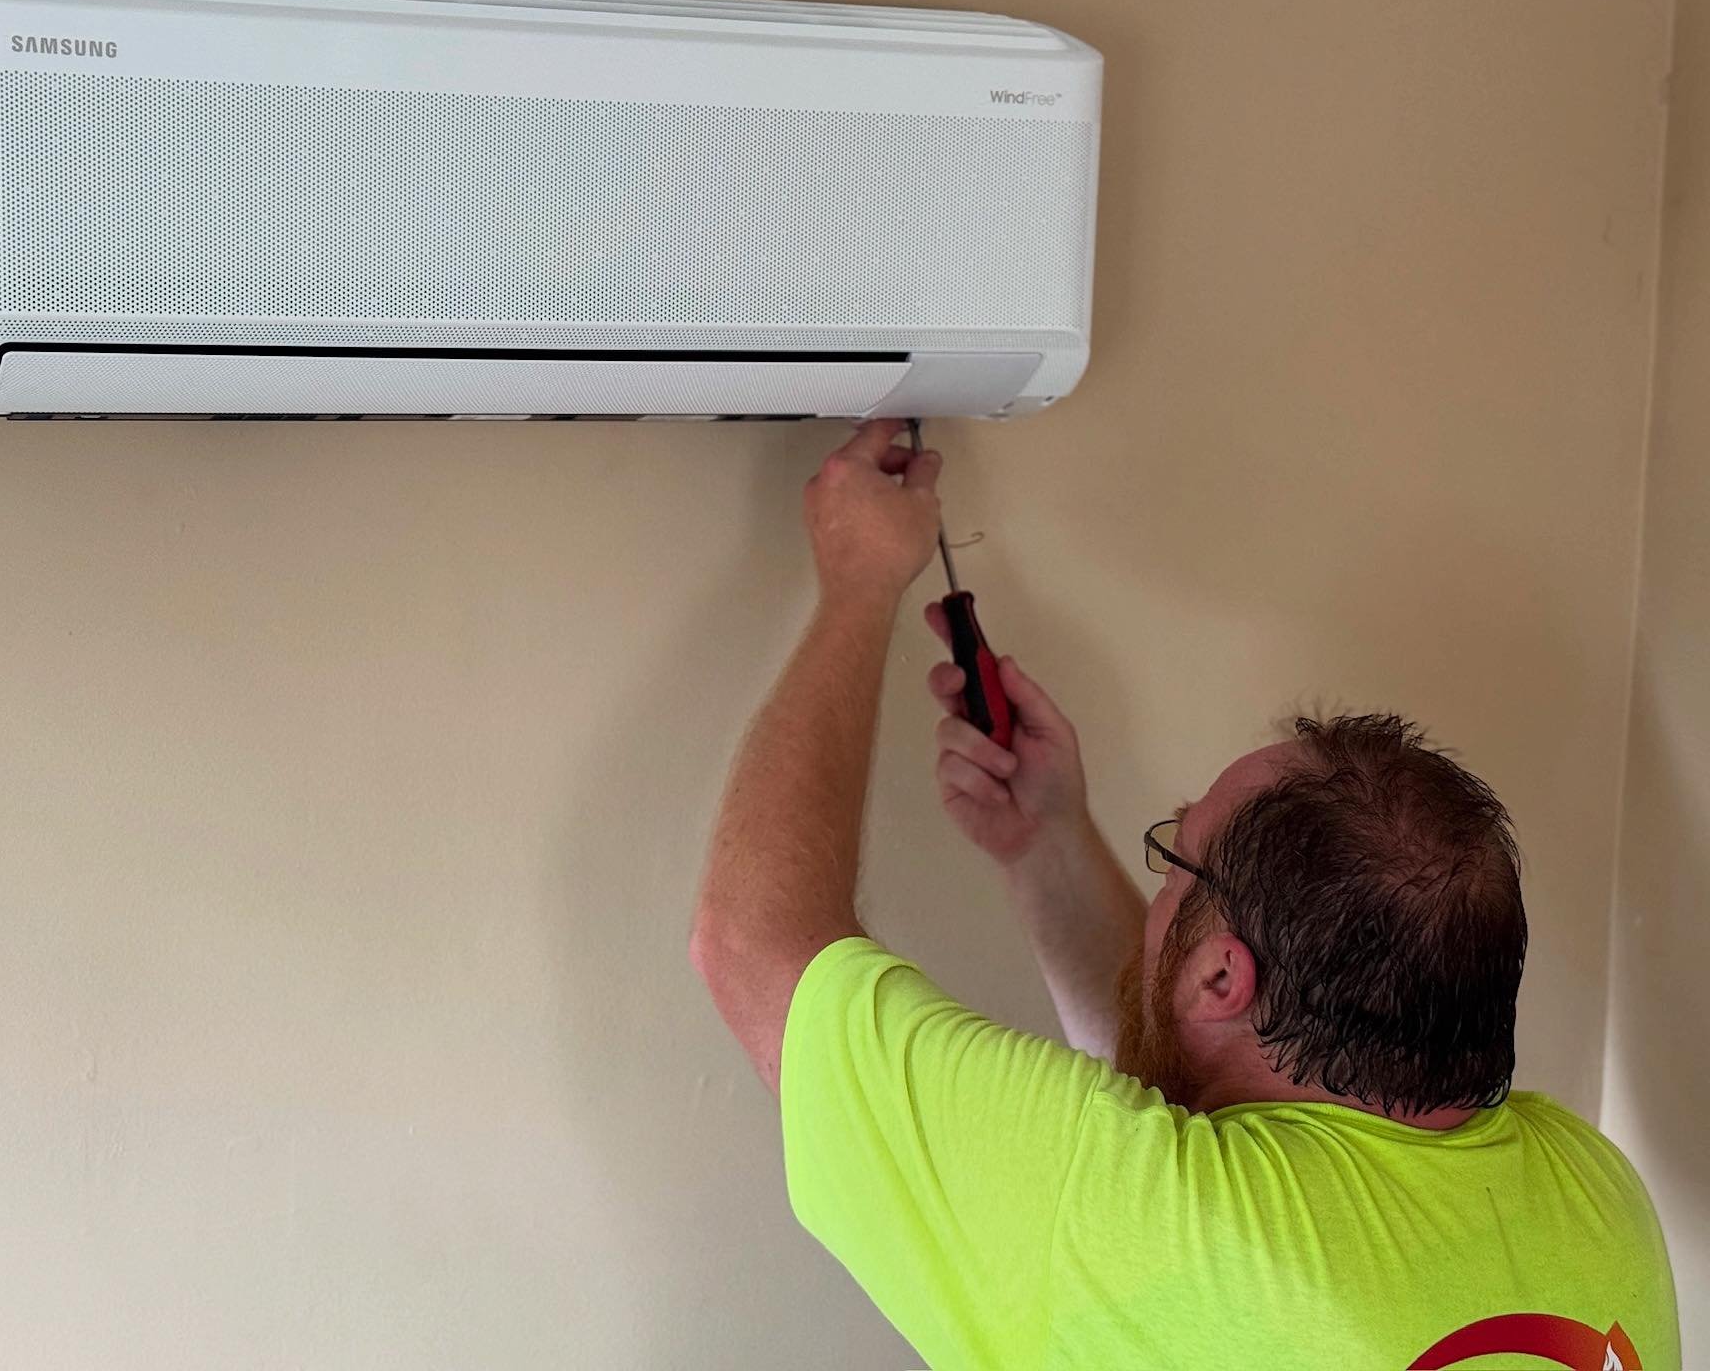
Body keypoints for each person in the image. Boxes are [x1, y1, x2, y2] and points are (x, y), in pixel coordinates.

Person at [689, 421, 1678, 1370]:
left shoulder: (1137, 1218)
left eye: (1174, 863)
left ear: (1217, 975)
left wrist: (856, 584)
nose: (1160, 882)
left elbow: (752, 946)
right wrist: (1046, 843)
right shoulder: (1591, 1199)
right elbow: (1188, 1079)